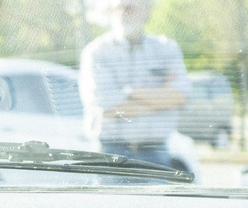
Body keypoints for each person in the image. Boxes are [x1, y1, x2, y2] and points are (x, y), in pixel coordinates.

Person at [79, 0, 190, 167]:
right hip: (109, 154)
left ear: (147, 9)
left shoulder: (166, 49)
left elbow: (181, 95)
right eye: (119, 7)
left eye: (130, 7)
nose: (124, 13)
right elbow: (106, 105)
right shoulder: (96, 52)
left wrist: (129, 92)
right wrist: (161, 100)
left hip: (156, 153)